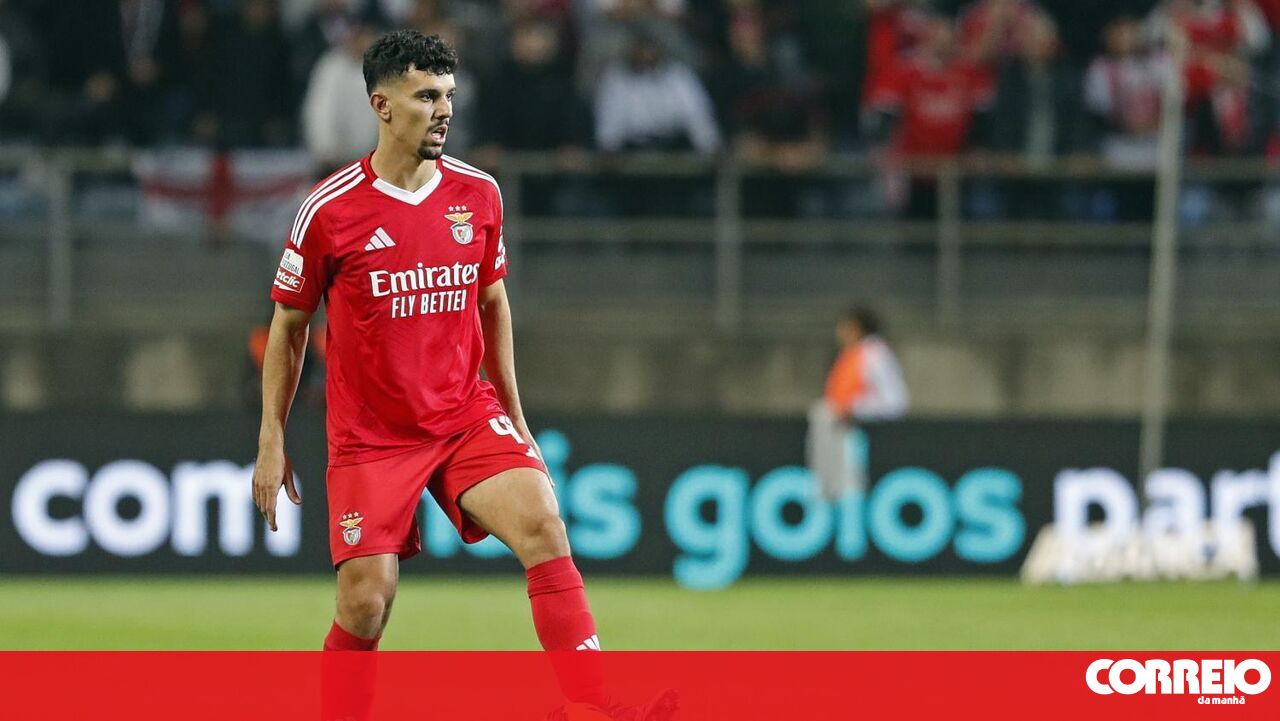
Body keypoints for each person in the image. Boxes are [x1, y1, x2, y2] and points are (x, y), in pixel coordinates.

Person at [250, 30, 676, 721]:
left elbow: (493, 303)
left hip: (462, 415)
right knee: (366, 602)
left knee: (543, 523)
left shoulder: (478, 194)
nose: (443, 110)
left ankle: (593, 705)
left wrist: (516, 418)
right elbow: (289, 326)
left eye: (448, 95)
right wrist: (272, 436)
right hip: (372, 436)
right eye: (426, 96)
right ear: (382, 106)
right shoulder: (329, 209)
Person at [807, 307, 908, 501]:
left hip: (865, 434)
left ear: (856, 328)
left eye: (844, 327)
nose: (839, 332)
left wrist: (854, 409)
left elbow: (896, 402)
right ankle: (825, 490)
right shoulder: (851, 355)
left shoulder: (876, 355)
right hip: (841, 430)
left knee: (850, 489)